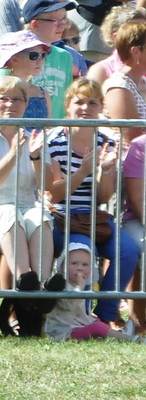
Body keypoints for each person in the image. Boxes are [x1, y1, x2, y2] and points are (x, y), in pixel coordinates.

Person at [42, 77, 140, 327]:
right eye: (80, 102)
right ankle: (80, 318)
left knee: (128, 250)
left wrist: (105, 171)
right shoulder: (52, 140)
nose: (86, 108)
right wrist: (83, 171)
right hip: (61, 216)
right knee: (85, 249)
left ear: (101, 108)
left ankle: (105, 315)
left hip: (94, 215)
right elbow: (55, 194)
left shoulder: (105, 141)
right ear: (68, 106)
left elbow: (103, 197)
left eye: (93, 103)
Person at [0, 73, 53, 310]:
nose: (10, 105)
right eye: (3, 99)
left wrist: (34, 156)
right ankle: (25, 283)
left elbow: (47, 185)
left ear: (25, 104)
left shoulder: (34, 138)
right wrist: (14, 154)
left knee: (39, 217)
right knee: (8, 213)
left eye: (17, 99)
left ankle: (42, 289)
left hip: (24, 212)